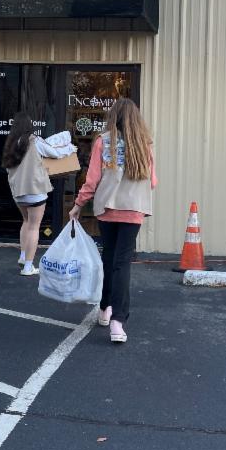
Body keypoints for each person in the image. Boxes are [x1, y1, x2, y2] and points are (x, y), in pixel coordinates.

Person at [69, 98, 155, 343]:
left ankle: (104, 308)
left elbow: (92, 179)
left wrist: (78, 204)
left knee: (108, 257)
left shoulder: (102, 141)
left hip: (107, 208)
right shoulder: (145, 143)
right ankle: (118, 321)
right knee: (122, 262)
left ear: (113, 116)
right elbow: (153, 180)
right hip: (134, 209)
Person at [1, 113, 53, 276]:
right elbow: (53, 153)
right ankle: (28, 267)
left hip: (18, 193)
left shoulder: (11, 143)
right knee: (34, 227)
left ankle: (23, 257)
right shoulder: (35, 141)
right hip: (36, 191)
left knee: (26, 222)